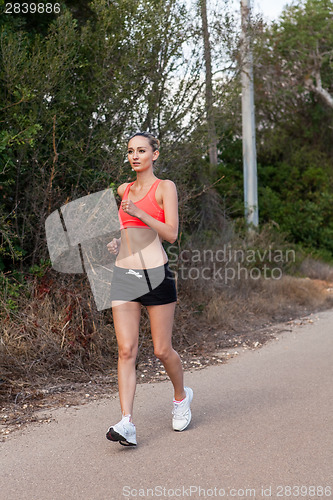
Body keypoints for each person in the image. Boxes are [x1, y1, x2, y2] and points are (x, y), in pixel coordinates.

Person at [105, 132, 193, 446]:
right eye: (130, 151)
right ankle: (127, 422)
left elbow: (171, 233)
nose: (135, 156)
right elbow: (127, 228)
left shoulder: (164, 188)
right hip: (125, 275)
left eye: (142, 150)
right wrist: (118, 241)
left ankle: (181, 397)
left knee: (161, 349)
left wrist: (140, 213)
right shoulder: (124, 189)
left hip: (156, 275)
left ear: (154, 154)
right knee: (126, 350)